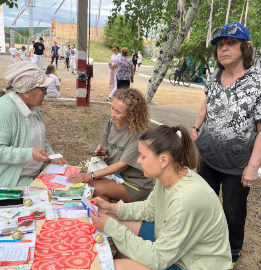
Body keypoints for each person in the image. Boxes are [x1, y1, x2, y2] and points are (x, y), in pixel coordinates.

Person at [90, 125, 232, 270]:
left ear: (163, 160)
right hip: (178, 248)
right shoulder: (169, 175)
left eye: (143, 156)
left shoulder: (185, 199)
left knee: (114, 266)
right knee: (113, 221)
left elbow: (159, 258)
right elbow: (149, 209)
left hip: (195, 263)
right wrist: (112, 208)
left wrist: (111, 227)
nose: (138, 161)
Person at [192, 22, 260, 269]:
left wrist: (253, 167)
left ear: (244, 47)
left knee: (233, 213)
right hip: (206, 157)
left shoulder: (257, 82)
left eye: (230, 43)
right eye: (220, 44)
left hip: (237, 165)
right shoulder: (214, 75)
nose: (224, 49)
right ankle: (201, 244)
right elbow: (205, 104)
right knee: (202, 203)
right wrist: (195, 128)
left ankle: (231, 255)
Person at [68, 88, 154, 202]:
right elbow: (103, 145)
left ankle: (112, 212)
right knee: (96, 196)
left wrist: (90, 176)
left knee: (91, 188)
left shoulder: (139, 133)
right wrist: (101, 151)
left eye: (118, 112)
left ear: (132, 115)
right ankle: (111, 214)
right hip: (114, 176)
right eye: (112, 108)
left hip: (133, 183)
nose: (113, 114)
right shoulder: (112, 122)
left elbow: (123, 165)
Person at [0, 62, 67, 187]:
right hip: (14, 179)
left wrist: (52, 156)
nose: (46, 93)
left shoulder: (32, 107)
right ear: (26, 92)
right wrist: (29, 154)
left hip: (37, 172)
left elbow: (40, 139)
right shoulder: (5, 109)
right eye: (43, 89)